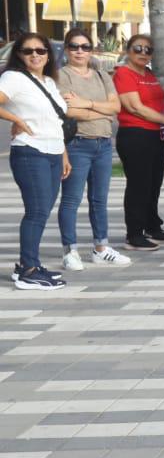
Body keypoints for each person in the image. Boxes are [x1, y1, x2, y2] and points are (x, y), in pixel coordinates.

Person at [1, 33, 73, 290]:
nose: (34, 55)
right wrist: (16, 120)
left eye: (40, 51)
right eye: (28, 50)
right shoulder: (13, 78)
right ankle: (28, 271)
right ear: (18, 54)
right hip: (31, 152)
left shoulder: (48, 81)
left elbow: (56, 121)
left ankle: (28, 264)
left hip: (53, 153)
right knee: (37, 212)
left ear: (48, 54)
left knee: (43, 212)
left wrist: (63, 153)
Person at [55, 28, 131, 269]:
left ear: (91, 50)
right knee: (71, 200)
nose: (80, 51)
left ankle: (101, 247)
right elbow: (67, 111)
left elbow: (116, 107)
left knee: (99, 199)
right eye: (74, 46)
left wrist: (85, 104)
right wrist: (99, 110)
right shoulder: (61, 75)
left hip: (104, 144)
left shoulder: (101, 75)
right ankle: (70, 251)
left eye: (85, 47)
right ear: (67, 49)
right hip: (77, 144)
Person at [113, 32, 164, 250]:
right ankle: (134, 234)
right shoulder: (124, 74)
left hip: (156, 135)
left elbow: (158, 103)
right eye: (138, 48)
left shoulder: (149, 74)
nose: (143, 53)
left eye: (148, 50)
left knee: (153, 184)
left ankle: (152, 226)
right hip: (135, 135)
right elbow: (135, 107)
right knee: (138, 185)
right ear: (128, 51)